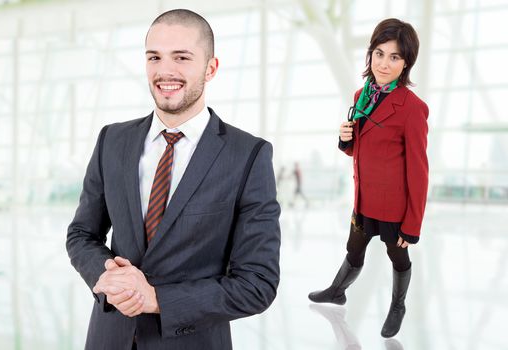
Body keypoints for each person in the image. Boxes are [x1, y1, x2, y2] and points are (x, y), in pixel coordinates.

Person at [66, 9, 281, 350]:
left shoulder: (248, 155)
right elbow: (81, 234)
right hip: (108, 339)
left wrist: (156, 299)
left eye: (181, 57)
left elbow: (258, 284)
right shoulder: (112, 140)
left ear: (211, 68)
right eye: (154, 57)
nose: (165, 71)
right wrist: (107, 273)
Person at [308, 18, 428, 339]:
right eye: (378, 53)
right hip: (364, 198)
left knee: (396, 254)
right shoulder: (363, 94)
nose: (384, 63)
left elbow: (419, 171)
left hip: (394, 205)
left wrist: (412, 224)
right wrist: (346, 139)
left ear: (406, 64)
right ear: (370, 54)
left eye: (394, 57)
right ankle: (337, 291)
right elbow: (361, 148)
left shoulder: (413, 109)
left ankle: (398, 305)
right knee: (354, 249)